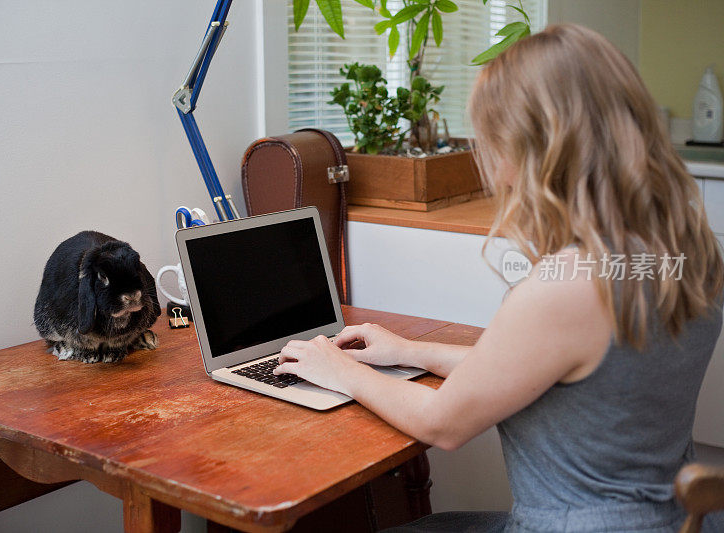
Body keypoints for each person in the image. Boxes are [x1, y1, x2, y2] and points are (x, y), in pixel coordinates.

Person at [273, 24, 724, 532]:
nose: (500, 173)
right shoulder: (691, 250)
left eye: (497, 145)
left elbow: (442, 424)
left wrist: (339, 370)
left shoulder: (567, 287)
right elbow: (557, 372)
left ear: (541, 149)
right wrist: (409, 351)